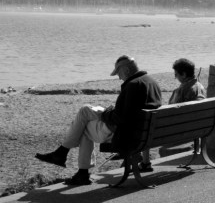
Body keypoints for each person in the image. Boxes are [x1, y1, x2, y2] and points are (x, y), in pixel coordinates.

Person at [35, 55, 163, 186]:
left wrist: (106, 113)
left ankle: (74, 165)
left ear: (126, 70)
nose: (119, 77)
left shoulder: (132, 85)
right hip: (145, 132)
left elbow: (119, 118)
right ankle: (63, 154)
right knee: (85, 111)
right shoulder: (151, 82)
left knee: (84, 124)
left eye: (118, 73)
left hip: (126, 135)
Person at [139, 58, 206, 172]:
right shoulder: (200, 87)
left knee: (144, 127)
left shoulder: (180, 91)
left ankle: (145, 162)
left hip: (178, 132)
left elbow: (170, 113)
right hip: (199, 129)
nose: (176, 78)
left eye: (176, 75)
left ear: (183, 74)